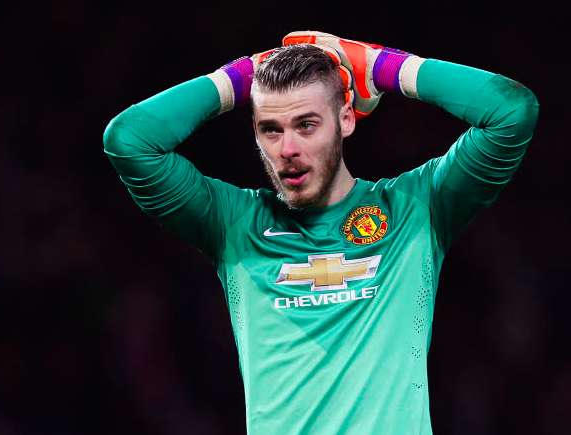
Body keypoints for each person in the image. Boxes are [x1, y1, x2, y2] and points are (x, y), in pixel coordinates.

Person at [103, 30, 539, 435]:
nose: (288, 149)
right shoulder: (232, 223)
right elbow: (129, 140)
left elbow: (510, 112)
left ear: (345, 118)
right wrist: (242, 75)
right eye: (271, 129)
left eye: (306, 125)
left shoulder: (416, 208)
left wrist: (380, 65)